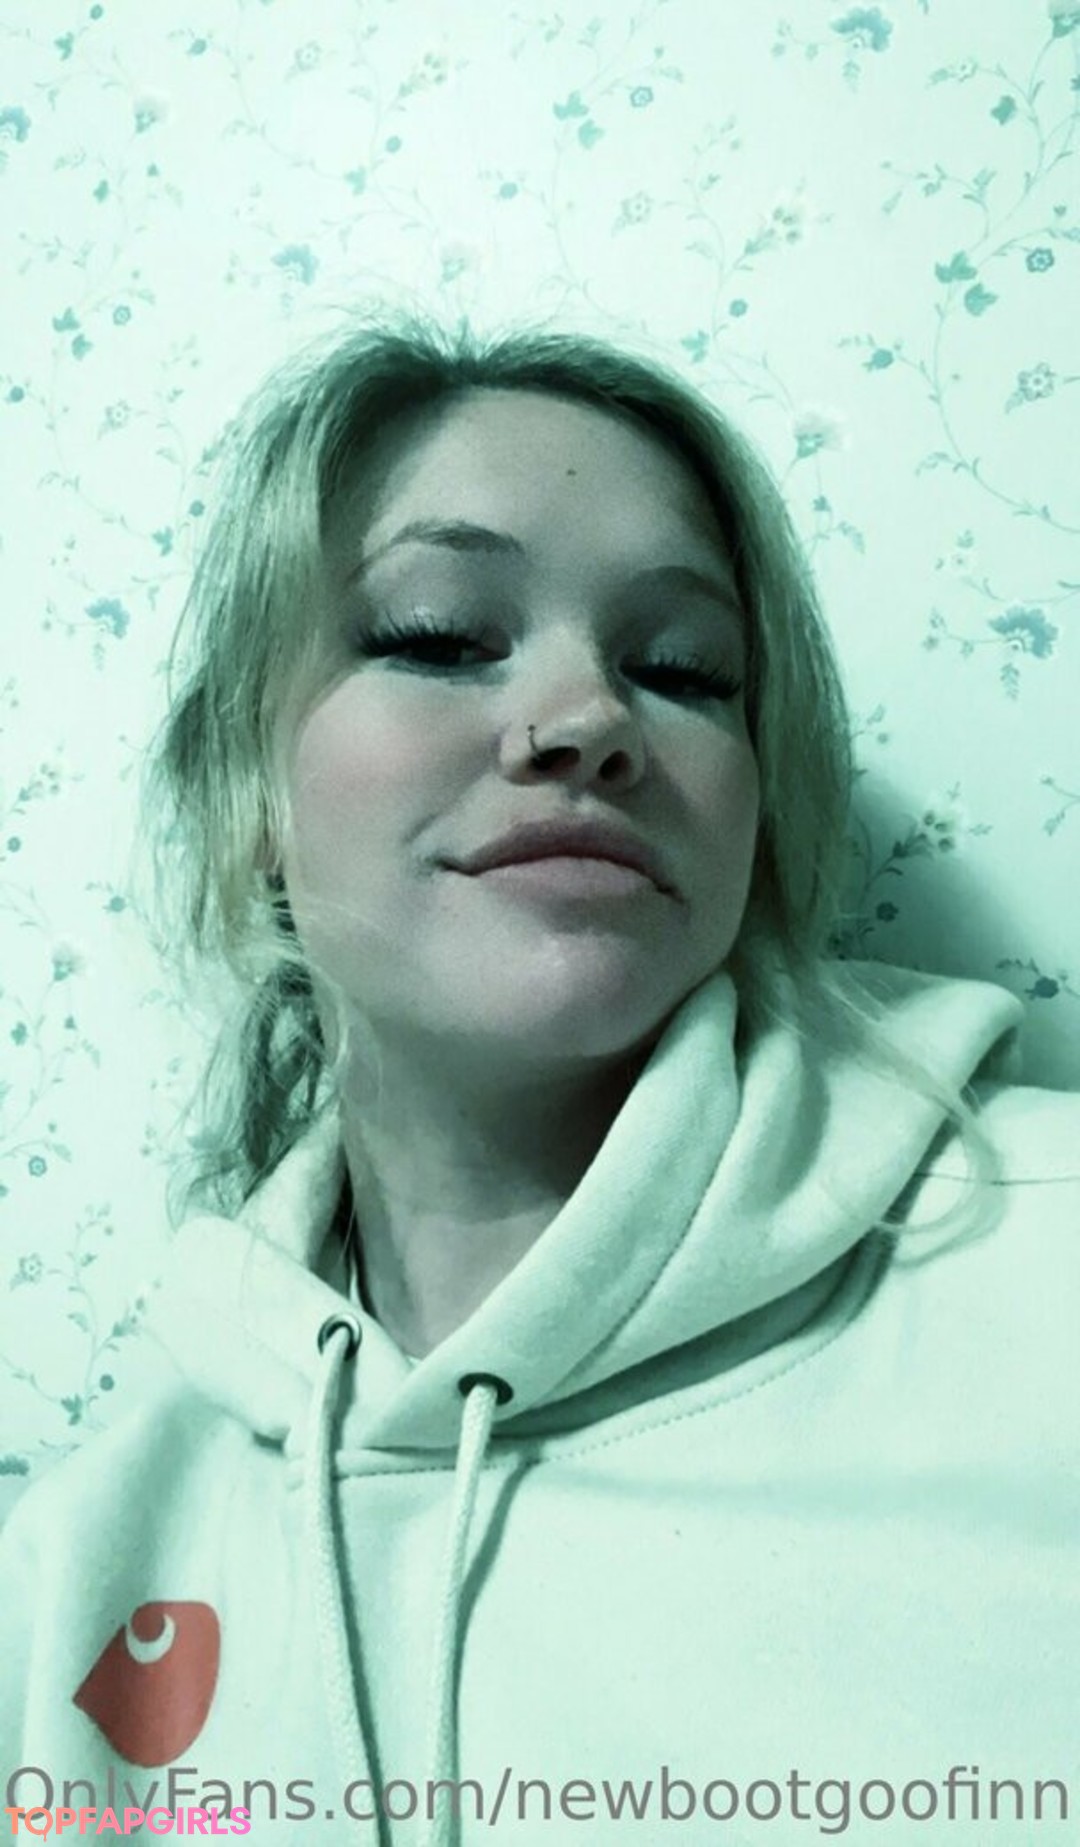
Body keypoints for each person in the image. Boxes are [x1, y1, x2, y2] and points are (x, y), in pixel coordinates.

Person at [1, 317, 1077, 1847]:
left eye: (682, 668)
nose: (587, 722)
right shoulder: (79, 1567)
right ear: (253, 793)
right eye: (438, 636)